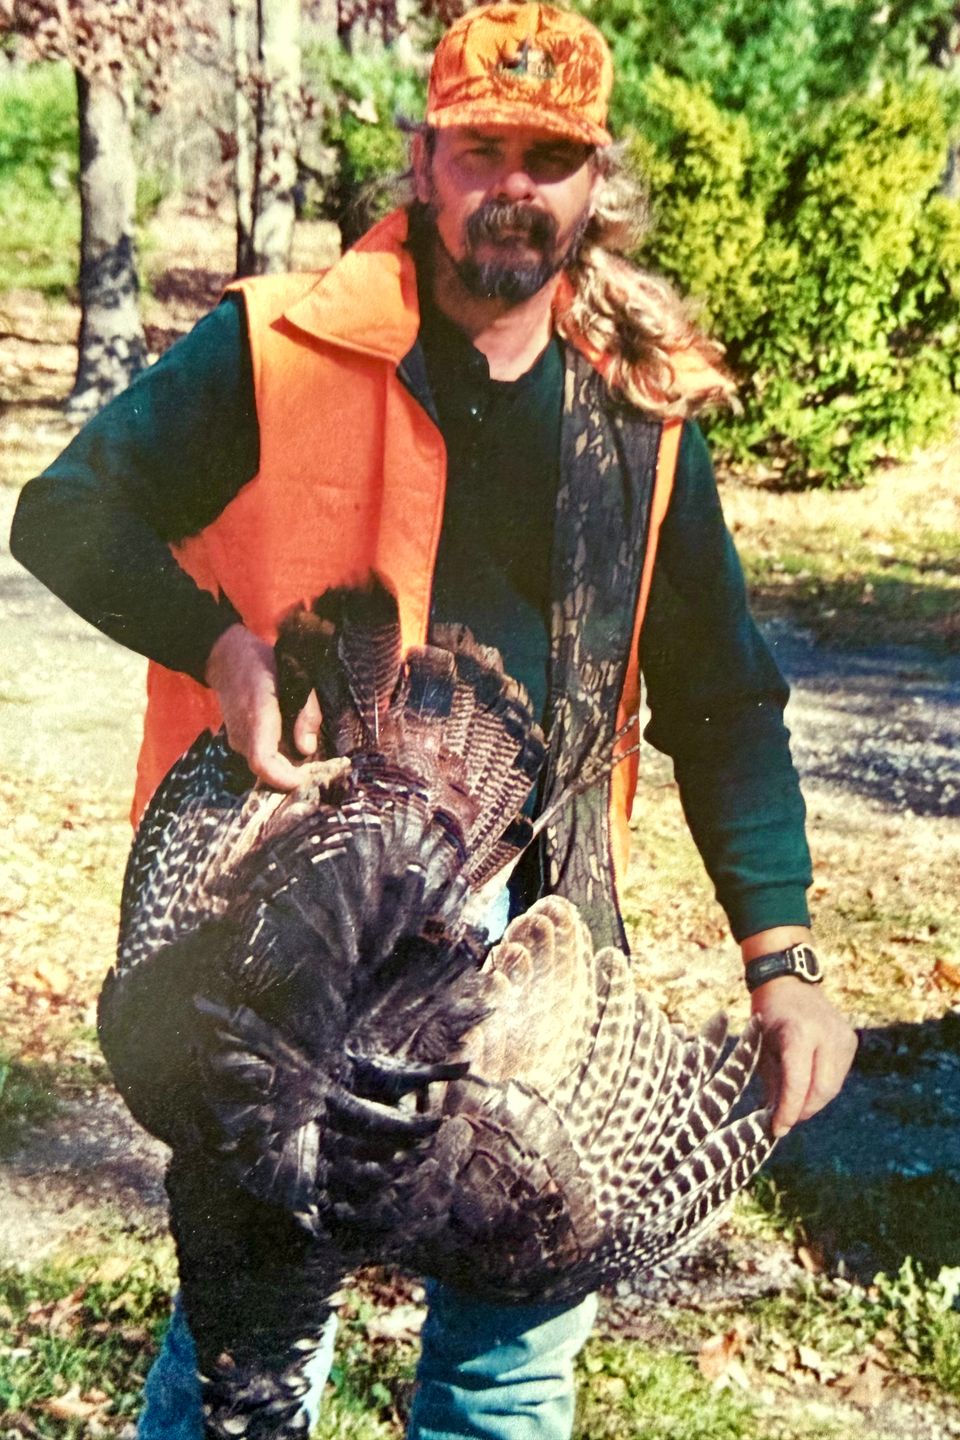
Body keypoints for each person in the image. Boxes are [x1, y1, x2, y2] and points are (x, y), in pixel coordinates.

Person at [10, 4, 857, 1437]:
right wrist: (213, 643)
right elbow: (64, 512)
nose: (513, 184)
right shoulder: (271, 350)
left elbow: (720, 696)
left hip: (532, 966)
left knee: (507, 1374)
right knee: (242, 1378)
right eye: (481, 149)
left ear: (597, 182)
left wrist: (785, 956)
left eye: (551, 155)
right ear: (423, 157)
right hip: (283, 937)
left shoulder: (641, 417)